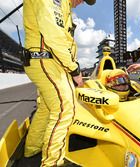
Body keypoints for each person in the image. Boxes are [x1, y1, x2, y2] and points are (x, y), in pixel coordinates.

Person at [22, 0, 96, 166]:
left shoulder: (65, 6)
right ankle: (52, 163)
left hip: (49, 60)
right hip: (45, 59)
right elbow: (53, 35)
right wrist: (74, 70)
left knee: (46, 108)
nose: (81, 3)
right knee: (65, 108)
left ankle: (31, 149)